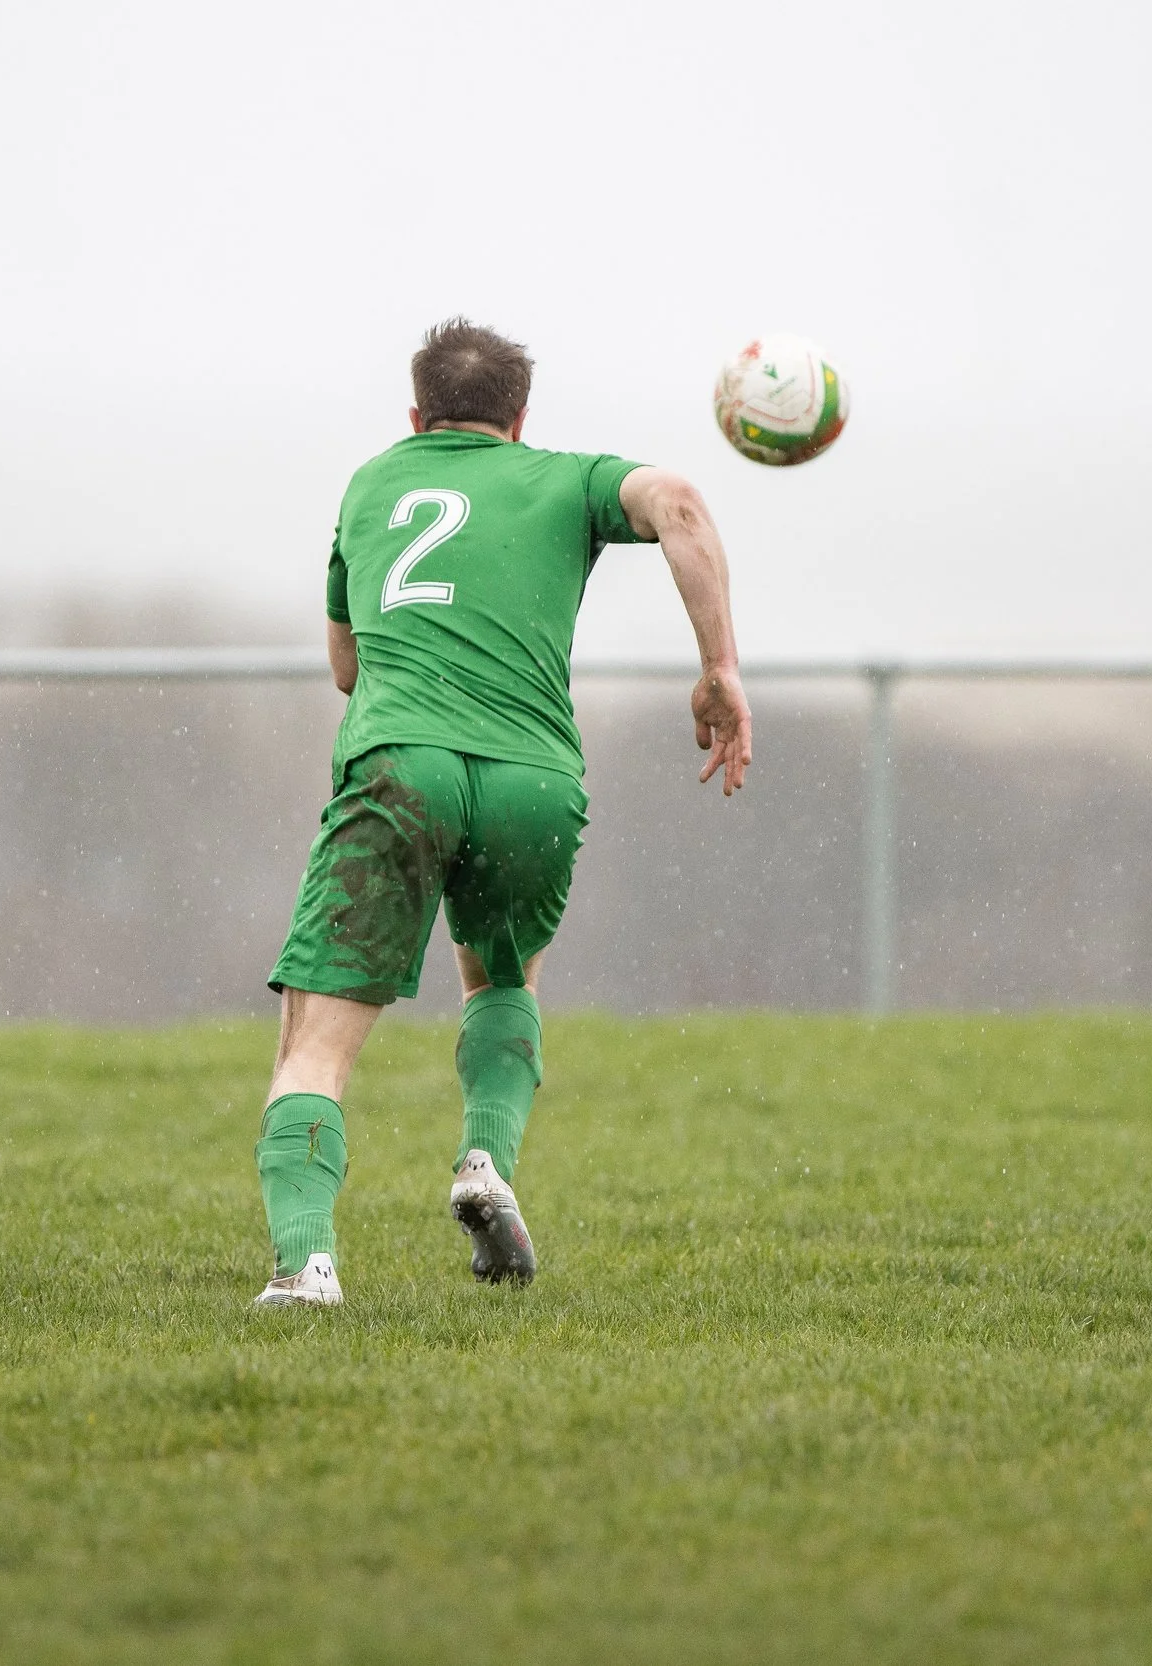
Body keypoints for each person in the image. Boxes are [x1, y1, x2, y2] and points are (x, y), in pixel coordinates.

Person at [251, 318, 753, 1307]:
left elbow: (346, 668)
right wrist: (719, 670)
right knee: (501, 971)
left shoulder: (372, 483)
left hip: (401, 766)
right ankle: (484, 1158)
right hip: (532, 777)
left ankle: (307, 1265)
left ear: (414, 412)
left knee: (314, 1042)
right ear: (519, 420)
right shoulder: (565, 478)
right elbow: (682, 504)